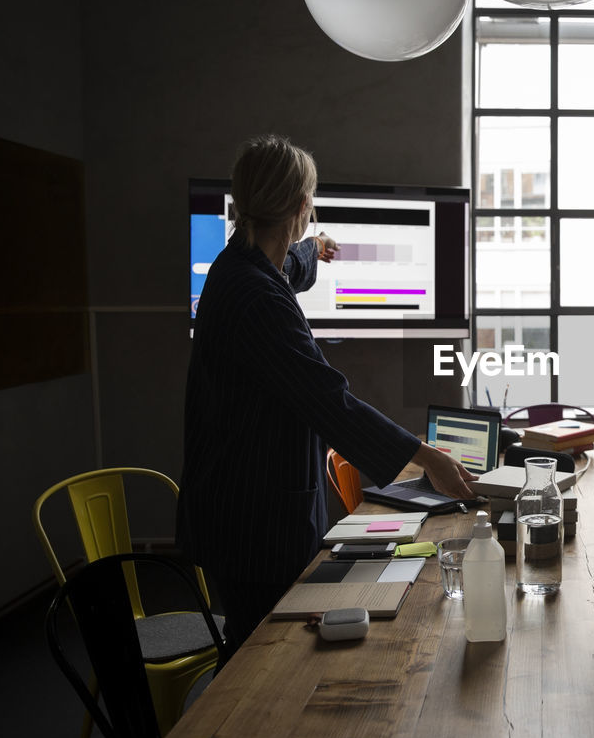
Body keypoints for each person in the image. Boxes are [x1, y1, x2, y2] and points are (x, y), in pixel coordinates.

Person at [177, 134, 474, 657]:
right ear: (300, 206)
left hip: (242, 505)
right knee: (259, 658)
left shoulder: (240, 264)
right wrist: (426, 456)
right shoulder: (257, 298)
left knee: (267, 646)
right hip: (254, 522)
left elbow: (288, 266)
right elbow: (327, 400)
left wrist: (313, 249)